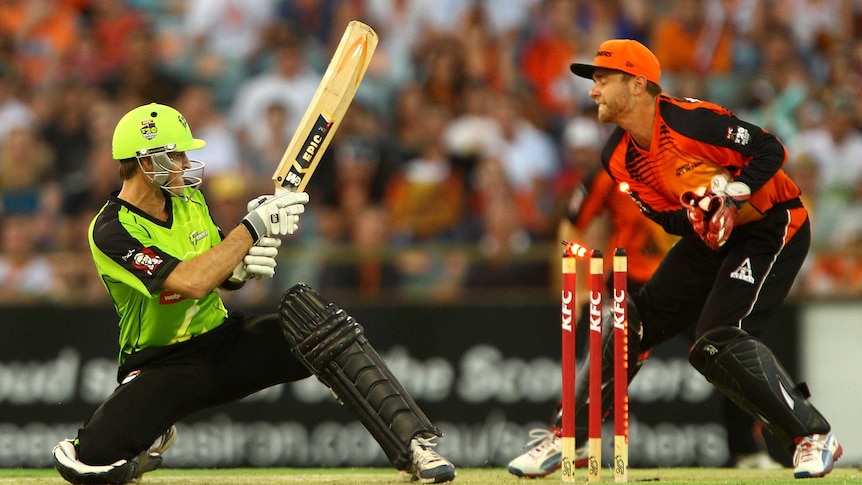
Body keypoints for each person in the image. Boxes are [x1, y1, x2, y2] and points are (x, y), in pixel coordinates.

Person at [50, 103, 456, 484]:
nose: (187, 165)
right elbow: (191, 281)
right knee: (87, 463)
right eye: (176, 157)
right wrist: (252, 228)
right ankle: (149, 433)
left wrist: (240, 269)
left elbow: (217, 270)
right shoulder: (110, 230)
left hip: (223, 341)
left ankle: (414, 446)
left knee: (322, 326)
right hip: (161, 363)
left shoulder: (189, 199)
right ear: (146, 161)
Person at [549, 38, 840, 479]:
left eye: (603, 80)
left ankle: (812, 436)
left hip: (770, 223)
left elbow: (769, 149)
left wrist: (732, 197)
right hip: (714, 237)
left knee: (718, 340)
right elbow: (666, 219)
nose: (593, 90)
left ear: (636, 85)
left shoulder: (691, 122)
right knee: (631, 320)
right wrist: (700, 216)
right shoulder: (618, 157)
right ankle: (571, 439)